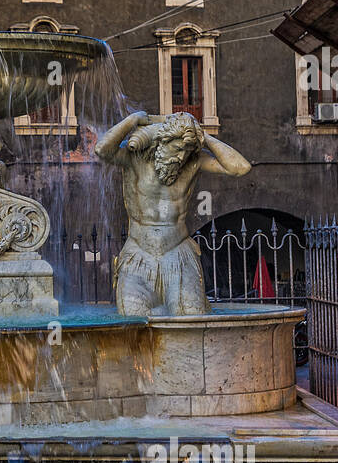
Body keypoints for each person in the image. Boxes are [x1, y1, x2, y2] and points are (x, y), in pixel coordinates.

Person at [95, 110, 250, 316]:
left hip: (178, 253)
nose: (180, 157)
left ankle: (172, 307)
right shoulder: (134, 157)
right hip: (139, 254)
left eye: (186, 152)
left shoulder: (192, 162)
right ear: (163, 141)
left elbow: (240, 167)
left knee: (190, 317)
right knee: (133, 321)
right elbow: (101, 150)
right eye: (177, 149)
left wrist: (203, 137)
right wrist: (131, 120)